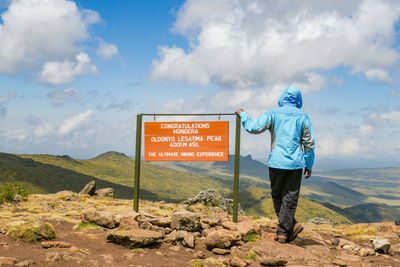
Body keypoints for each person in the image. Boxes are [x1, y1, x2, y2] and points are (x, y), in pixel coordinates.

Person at [236, 86, 315, 243]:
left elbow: (254, 127)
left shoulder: (272, 113)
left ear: (282, 97)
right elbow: (309, 143)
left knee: (277, 195)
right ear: (299, 100)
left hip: (276, 163)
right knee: (290, 198)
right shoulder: (303, 116)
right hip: (295, 165)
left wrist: (243, 114)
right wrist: (309, 163)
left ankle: (282, 232)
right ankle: (289, 227)